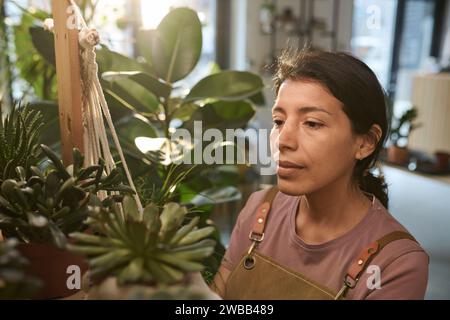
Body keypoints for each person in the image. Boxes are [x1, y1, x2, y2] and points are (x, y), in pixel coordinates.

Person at [210, 49, 429, 300]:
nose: (283, 140)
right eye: (279, 121)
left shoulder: (397, 264)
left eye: (312, 123)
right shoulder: (259, 208)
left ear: (365, 142)